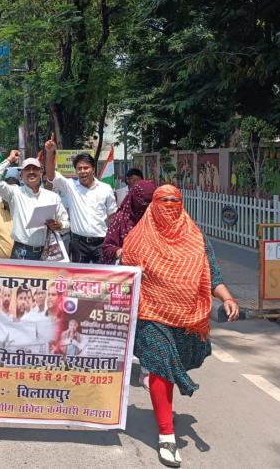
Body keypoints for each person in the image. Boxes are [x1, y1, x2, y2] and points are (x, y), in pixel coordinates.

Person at [122, 184, 239, 468]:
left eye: (175, 201)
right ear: (154, 204)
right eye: (164, 201)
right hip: (150, 313)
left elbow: (212, 273)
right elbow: (126, 273)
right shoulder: (139, 237)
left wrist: (227, 298)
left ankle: (164, 407)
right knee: (161, 367)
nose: (170, 206)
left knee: (170, 370)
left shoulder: (195, 237)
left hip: (186, 316)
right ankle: (166, 436)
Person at [44, 137, 117, 263]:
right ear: (76, 170)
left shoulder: (106, 189)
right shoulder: (70, 186)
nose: (83, 171)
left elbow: (112, 216)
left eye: (86, 168)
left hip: (101, 242)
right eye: (79, 168)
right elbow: (51, 175)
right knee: (78, 279)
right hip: (78, 243)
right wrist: (50, 153)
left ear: (93, 169)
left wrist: (112, 239)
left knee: (101, 279)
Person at [0, 150, 69, 260]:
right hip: (21, 252)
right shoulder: (14, 193)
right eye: (27, 169)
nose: (31, 172)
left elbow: (66, 224)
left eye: (35, 169)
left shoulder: (52, 197)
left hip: (46, 252)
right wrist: (9, 160)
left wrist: (59, 225)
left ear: (41, 173)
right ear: (21, 175)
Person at [102, 180, 157, 264]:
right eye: (142, 202)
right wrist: (121, 252)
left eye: (149, 203)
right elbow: (107, 247)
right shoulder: (120, 219)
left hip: (154, 268)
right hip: (127, 270)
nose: (145, 206)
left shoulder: (157, 219)